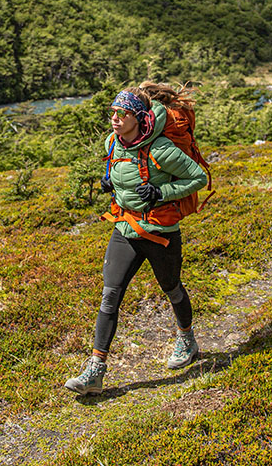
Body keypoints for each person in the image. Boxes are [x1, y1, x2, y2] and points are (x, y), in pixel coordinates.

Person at [64, 83, 208, 396]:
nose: (115, 118)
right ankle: (95, 370)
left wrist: (161, 192)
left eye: (123, 113)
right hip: (125, 228)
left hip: (159, 232)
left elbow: (198, 177)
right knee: (110, 295)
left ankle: (187, 340)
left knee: (172, 288)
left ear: (139, 117)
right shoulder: (112, 143)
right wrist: (110, 183)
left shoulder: (161, 149)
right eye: (113, 112)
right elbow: (120, 173)